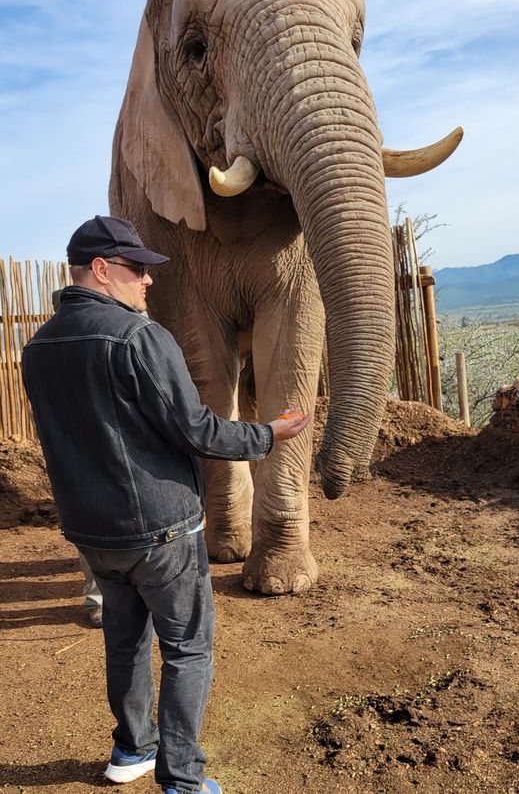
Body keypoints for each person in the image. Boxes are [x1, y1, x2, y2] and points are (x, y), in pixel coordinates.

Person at [22, 215, 310, 794]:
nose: (148, 282)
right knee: (187, 647)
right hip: (159, 529)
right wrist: (268, 434)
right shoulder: (139, 338)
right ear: (102, 270)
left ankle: (132, 749)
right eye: (137, 270)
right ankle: (182, 777)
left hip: (91, 534)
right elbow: (197, 430)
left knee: (124, 640)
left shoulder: (38, 347)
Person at [52, 288, 104, 629]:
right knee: (91, 532)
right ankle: (98, 599)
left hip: (105, 455)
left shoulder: (108, 340)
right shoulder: (49, 352)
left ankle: (107, 599)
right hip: (78, 458)